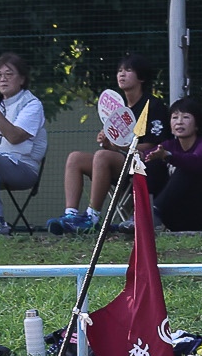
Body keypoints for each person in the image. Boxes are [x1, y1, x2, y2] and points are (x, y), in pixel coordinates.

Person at [51, 52, 168, 234]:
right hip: (121, 163)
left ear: (142, 78)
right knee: (75, 158)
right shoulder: (119, 109)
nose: (122, 74)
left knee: (102, 156)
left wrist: (116, 147)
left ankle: (92, 217)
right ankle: (71, 215)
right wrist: (108, 143)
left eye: (128, 70)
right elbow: (116, 147)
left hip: (145, 164)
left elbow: (152, 145)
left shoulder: (153, 106)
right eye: (120, 70)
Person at [0, 52, 46, 236]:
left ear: (22, 79)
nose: (3, 79)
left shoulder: (32, 105)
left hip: (21, 168)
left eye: (9, 74)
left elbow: (14, 137)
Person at [152, 98, 202, 232]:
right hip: (178, 214)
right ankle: (135, 218)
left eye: (186, 117)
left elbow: (197, 161)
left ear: (197, 124)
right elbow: (146, 155)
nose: (179, 121)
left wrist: (168, 156)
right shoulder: (168, 145)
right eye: (175, 117)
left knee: (187, 168)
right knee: (149, 167)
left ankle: (153, 212)